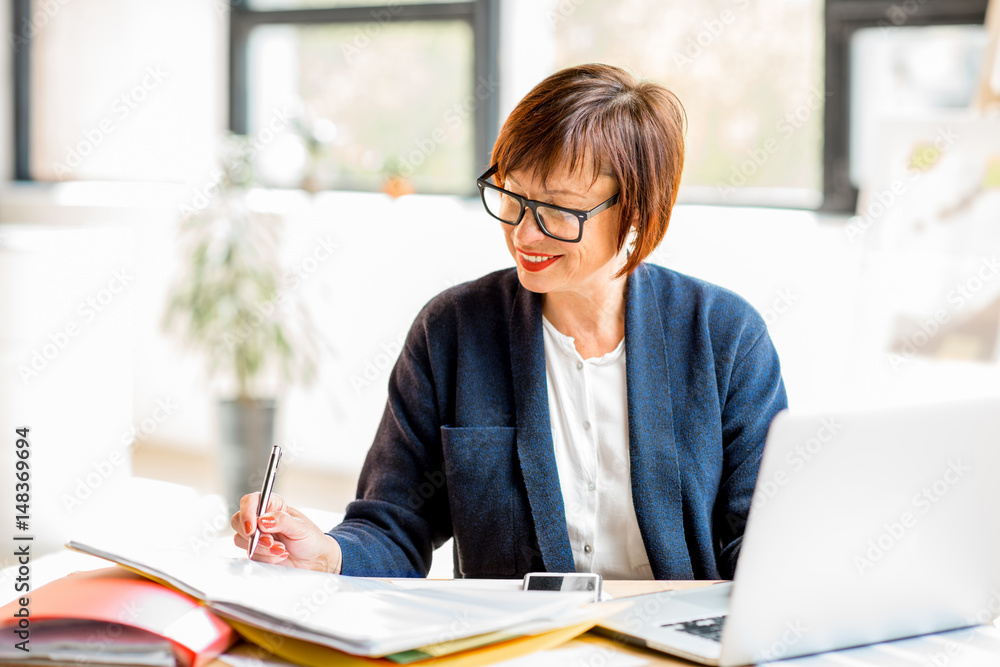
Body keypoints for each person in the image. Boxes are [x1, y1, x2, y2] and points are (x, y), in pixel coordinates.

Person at [231, 63, 787, 580]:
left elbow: (761, 543)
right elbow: (394, 527)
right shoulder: (451, 330)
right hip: (513, 647)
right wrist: (327, 554)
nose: (524, 234)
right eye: (512, 197)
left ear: (637, 211)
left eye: (557, 211)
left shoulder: (725, 335)